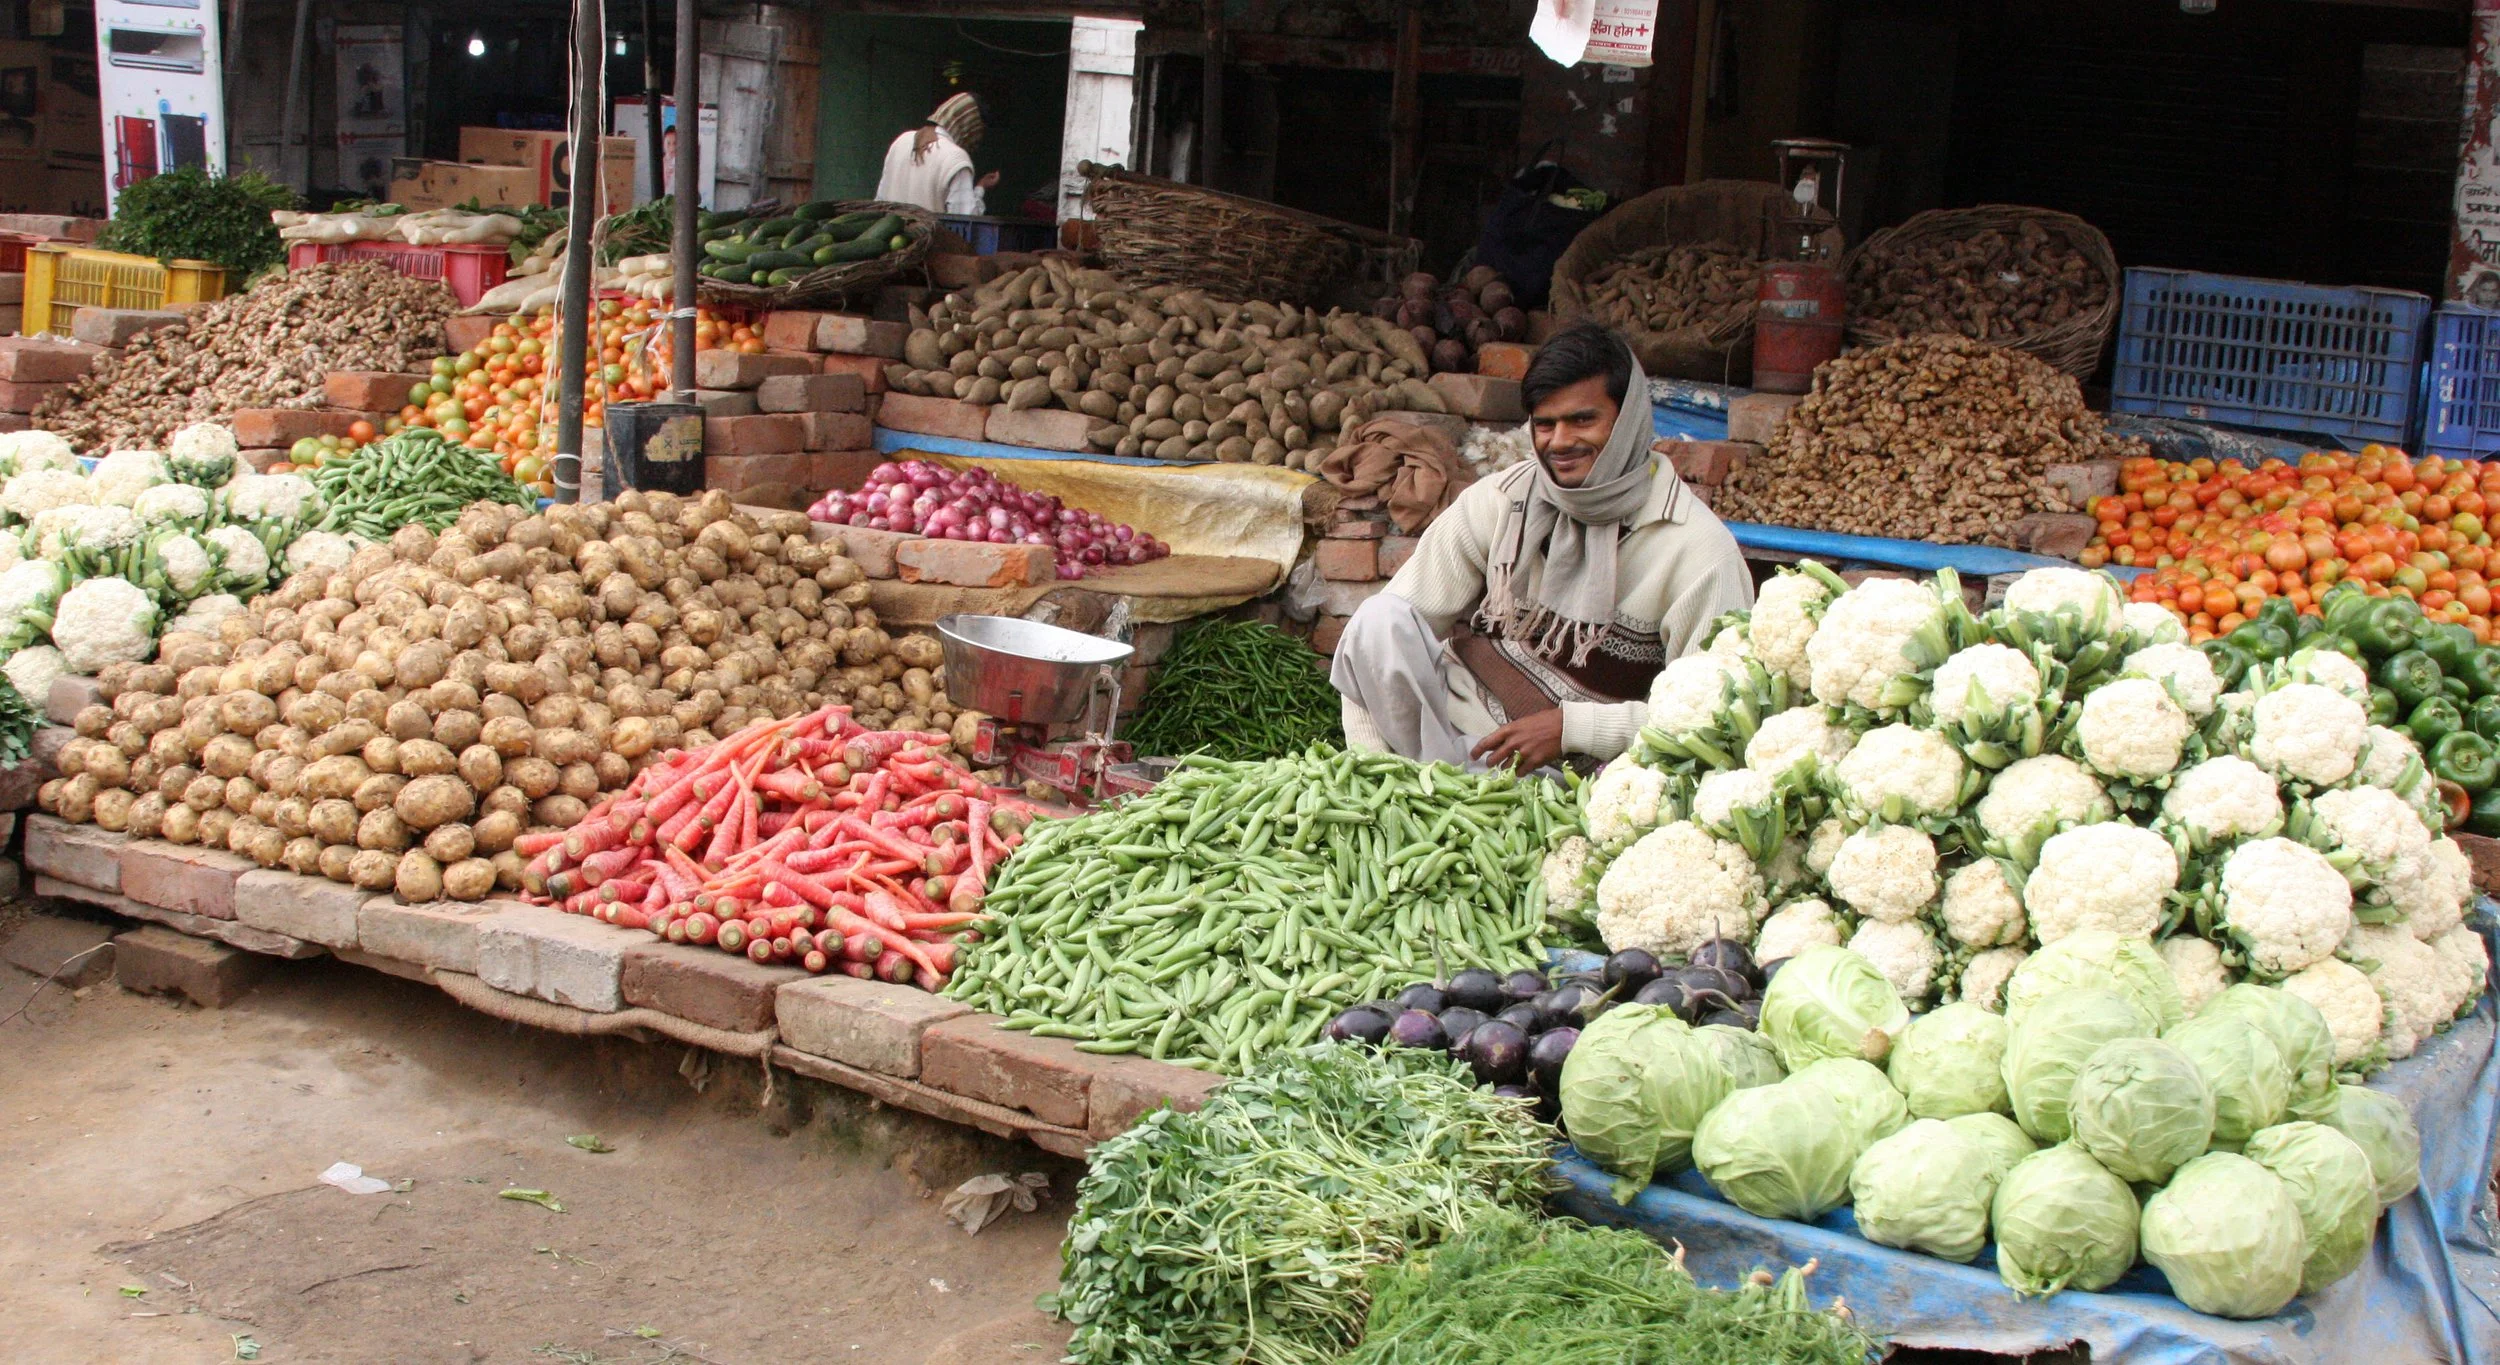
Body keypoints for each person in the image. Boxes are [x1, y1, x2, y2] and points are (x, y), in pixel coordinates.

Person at [1330, 321, 1754, 773]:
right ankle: (1417, 787)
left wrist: (1573, 729)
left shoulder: (1697, 550)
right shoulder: (1503, 500)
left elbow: (1719, 715)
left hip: (1576, 773)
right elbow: (1372, 645)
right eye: (1545, 424)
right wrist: (1374, 775)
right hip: (1452, 741)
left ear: (1627, 420)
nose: (1561, 442)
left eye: (1583, 420)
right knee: (1380, 619)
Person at [875, 92, 1001, 215]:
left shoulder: (901, 141)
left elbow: (880, 201)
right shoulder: (957, 158)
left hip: (892, 235)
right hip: (930, 236)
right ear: (971, 127)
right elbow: (967, 218)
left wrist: (981, 186)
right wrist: (979, 190)